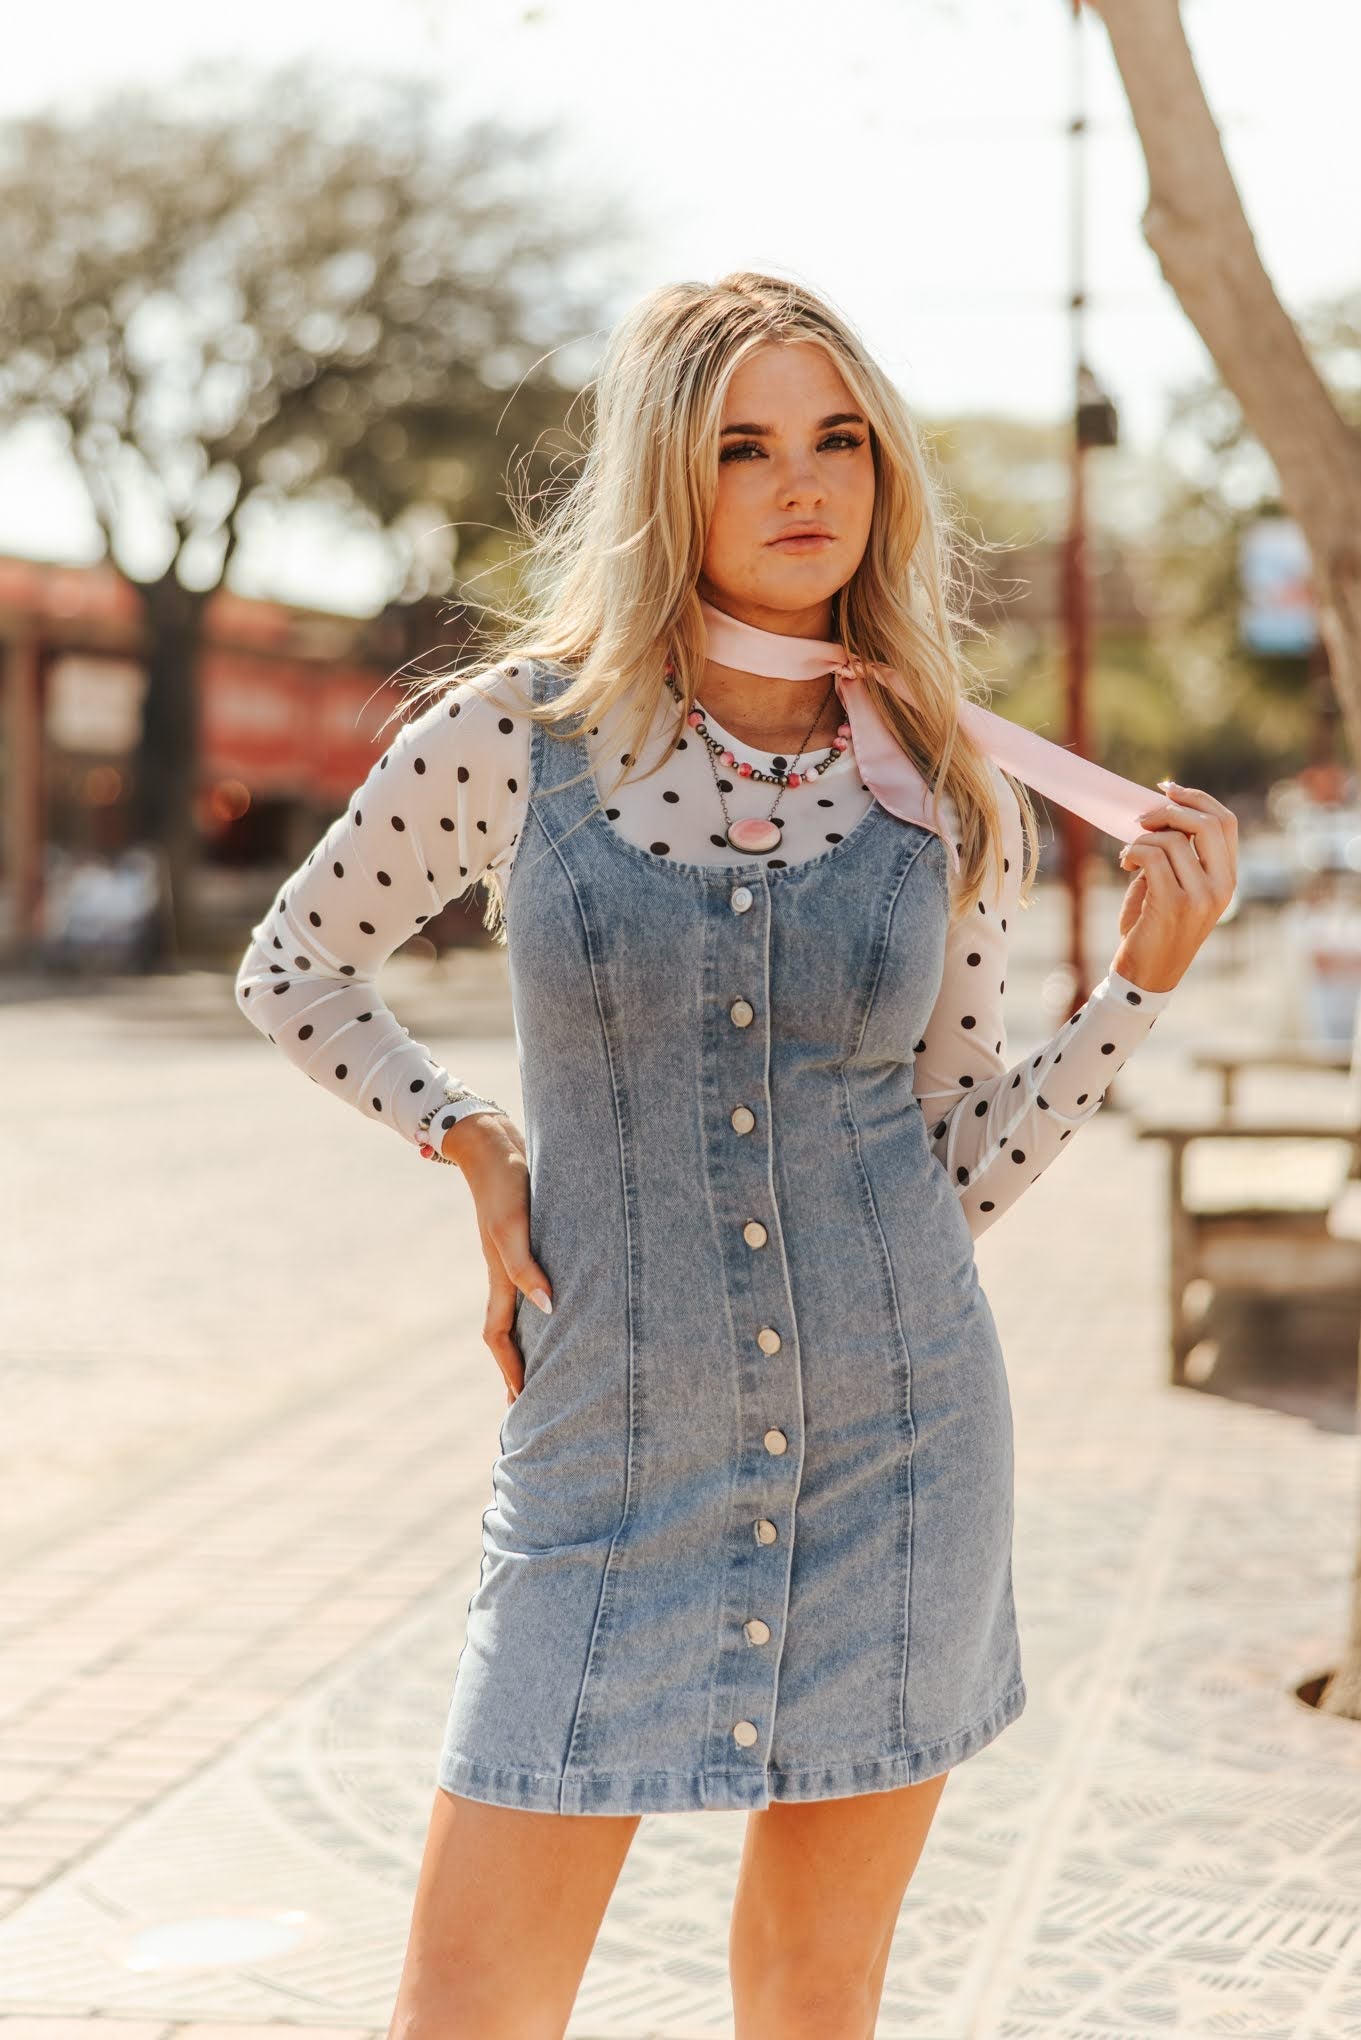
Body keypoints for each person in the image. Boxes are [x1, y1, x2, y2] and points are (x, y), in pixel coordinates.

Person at [234, 272, 1237, 2039]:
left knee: (809, 1995)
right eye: (741, 447)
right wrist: (467, 1135)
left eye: (836, 439)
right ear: (664, 478)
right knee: (467, 2007)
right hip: (607, 1453)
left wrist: (1133, 992)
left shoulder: (945, 787)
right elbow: (294, 963)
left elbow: (953, 1166)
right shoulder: (517, 735)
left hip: (902, 1446)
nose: (801, 484)